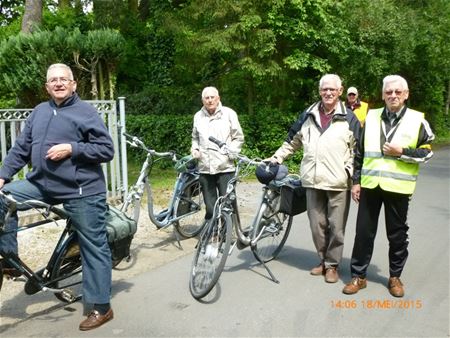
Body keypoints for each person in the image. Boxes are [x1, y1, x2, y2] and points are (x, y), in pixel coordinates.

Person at [0, 63, 115, 330]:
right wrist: (3, 174)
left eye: (64, 79)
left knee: (93, 247)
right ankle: (9, 260)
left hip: (82, 190)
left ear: (74, 84)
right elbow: (21, 148)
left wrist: (72, 148)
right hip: (42, 185)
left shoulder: (85, 111)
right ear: (47, 86)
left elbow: (106, 149)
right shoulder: (40, 111)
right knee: (3, 196)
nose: (59, 83)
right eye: (53, 80)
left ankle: (101, 307)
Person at [342, 75, 434, 297]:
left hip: (398, 188)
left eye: (397, 92)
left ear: (406, 94)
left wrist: (402, 152)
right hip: (370, 185)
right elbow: (360, 154)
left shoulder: (417, 120)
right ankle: (359, 276)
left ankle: (395, 277)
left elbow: (427, 152)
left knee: (397, 235)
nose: (393, 95)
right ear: (383, 95)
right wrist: (356, 182)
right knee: (363, 233)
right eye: (389, 92)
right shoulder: (371, 118)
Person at [269, 74, 361, 283]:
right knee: (316, 225)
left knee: (336, 227)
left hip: (338, 182)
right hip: (312, 179)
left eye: (332, 90)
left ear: (340, 91)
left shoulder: (350, 118)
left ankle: (332, 265)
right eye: (324, 89)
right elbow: (292, 141)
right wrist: (276, 158)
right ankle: (322, 260)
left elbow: (358, 152)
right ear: (320, 91)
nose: (328, 93)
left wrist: (355, 179)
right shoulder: (308, 114)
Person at [191, 86, 244, 224]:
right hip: (205, 167)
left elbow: (238, 137)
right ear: (202, 100)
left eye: (212, 97)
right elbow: (195, 138)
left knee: (228, 204)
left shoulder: (229, 114)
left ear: (218, 98)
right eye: (206, 98)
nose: (209, 100)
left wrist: (230, 153)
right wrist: (195, 148)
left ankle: (227, 234)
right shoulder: (198, 116)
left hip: (225, 167)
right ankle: (212, 233)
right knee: (210, 206)